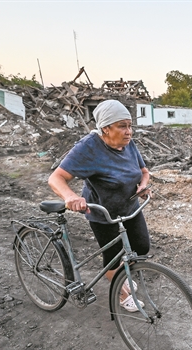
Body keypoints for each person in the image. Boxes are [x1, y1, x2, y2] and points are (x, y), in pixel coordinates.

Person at [48, 99, 150, 312]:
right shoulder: (88, 148)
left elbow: (143, 172)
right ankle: (121, 291)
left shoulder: (128, 143)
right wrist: (70, 197)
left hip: (129, 207)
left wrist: (143, 186)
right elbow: (56, 178)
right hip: (103, 213)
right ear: (105, 128)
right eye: (122, 126)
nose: (129, 132)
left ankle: (124, 274)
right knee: (113, 260)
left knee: (140, 247)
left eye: (130, 125)